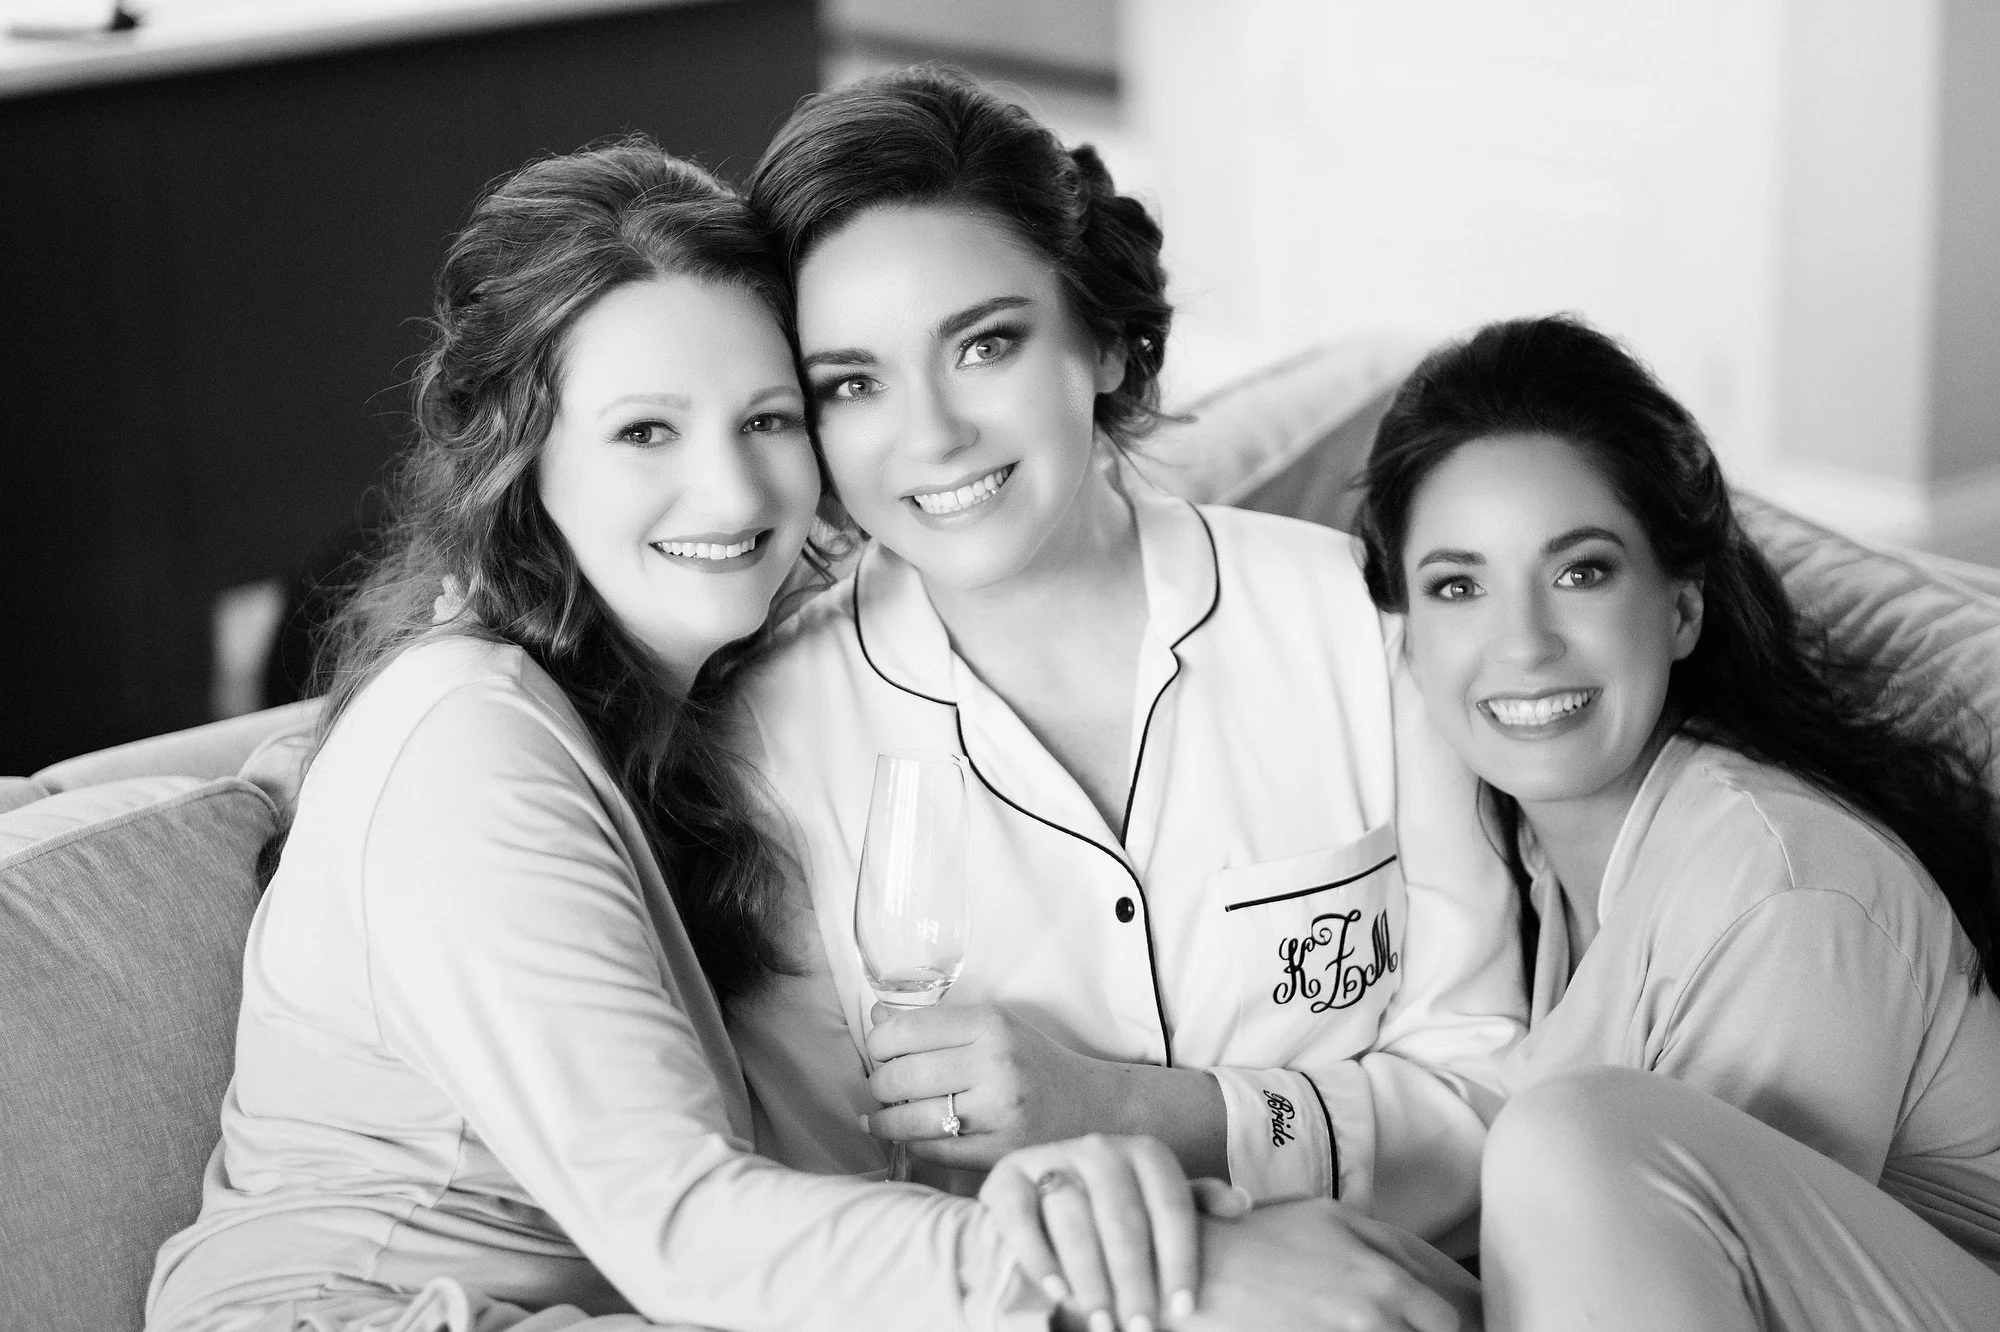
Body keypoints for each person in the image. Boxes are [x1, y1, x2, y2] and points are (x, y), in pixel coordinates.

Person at [143, 137, 1368, 1332]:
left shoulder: (675, 721)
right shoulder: (465, 733)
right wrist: (1167, 1268)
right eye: (644, 432)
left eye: (770, 418)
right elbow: (684, 1225)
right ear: (518, 460)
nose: (731, 493)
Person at [725, 64, 1519, 1329]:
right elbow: (822, 1219)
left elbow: (1485, 1091)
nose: (928, 435)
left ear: (1097, 339)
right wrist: (1191, 1272)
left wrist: (1145, 1117)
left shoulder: (1358, 629)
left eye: (983, 344)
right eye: (851, 384)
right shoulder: (766, 742)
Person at [1354, 313, 2000, 1331]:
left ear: (1680, 610)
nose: (1520, 644)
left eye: (1579, 572)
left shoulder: (1779, 889)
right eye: (1457, 586)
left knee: (1569, 1137)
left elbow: (1639, 1278)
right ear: (1405, 638)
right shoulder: (1503, 850)